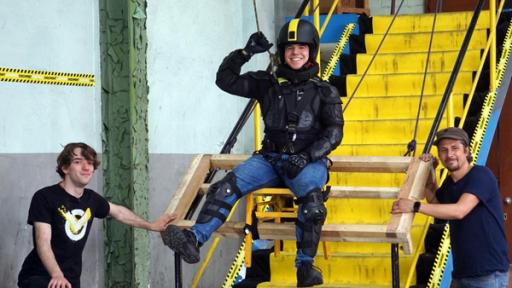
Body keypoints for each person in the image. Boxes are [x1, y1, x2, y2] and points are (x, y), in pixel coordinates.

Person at [162, 19, 343, 287]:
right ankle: (193, 239)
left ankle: (305, 266)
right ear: (282, 52)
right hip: (269, 159)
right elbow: (225, 80)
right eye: (290, 48)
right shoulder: (266, 83)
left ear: (311, 50)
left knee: (313, 205)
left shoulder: (325, 91)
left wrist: (307, 156)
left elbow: (334, 131)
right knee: (223, 188)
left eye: (302, 48)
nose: (295, 53)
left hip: (308, 162)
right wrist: (244, 54)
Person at [17, 142, 176, 288]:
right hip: (39, 276)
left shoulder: (91, 199)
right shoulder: (45, 197)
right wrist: (57, 275)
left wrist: (151, 225)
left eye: (90, 162)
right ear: (65, 168)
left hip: (70, 279)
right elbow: (43, 242)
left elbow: (119, 212)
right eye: (78, 162)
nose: (86, 167)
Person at [392, 127, 509, 288]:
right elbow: (436, 205)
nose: (449, 154)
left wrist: (414, 206)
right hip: (463, 272)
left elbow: (459, 211)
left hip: (487, 273)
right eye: (444, 150)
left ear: (467, 151)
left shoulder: (481, 175)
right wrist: (428, 171)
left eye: (455, 148)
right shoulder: (449, 183)